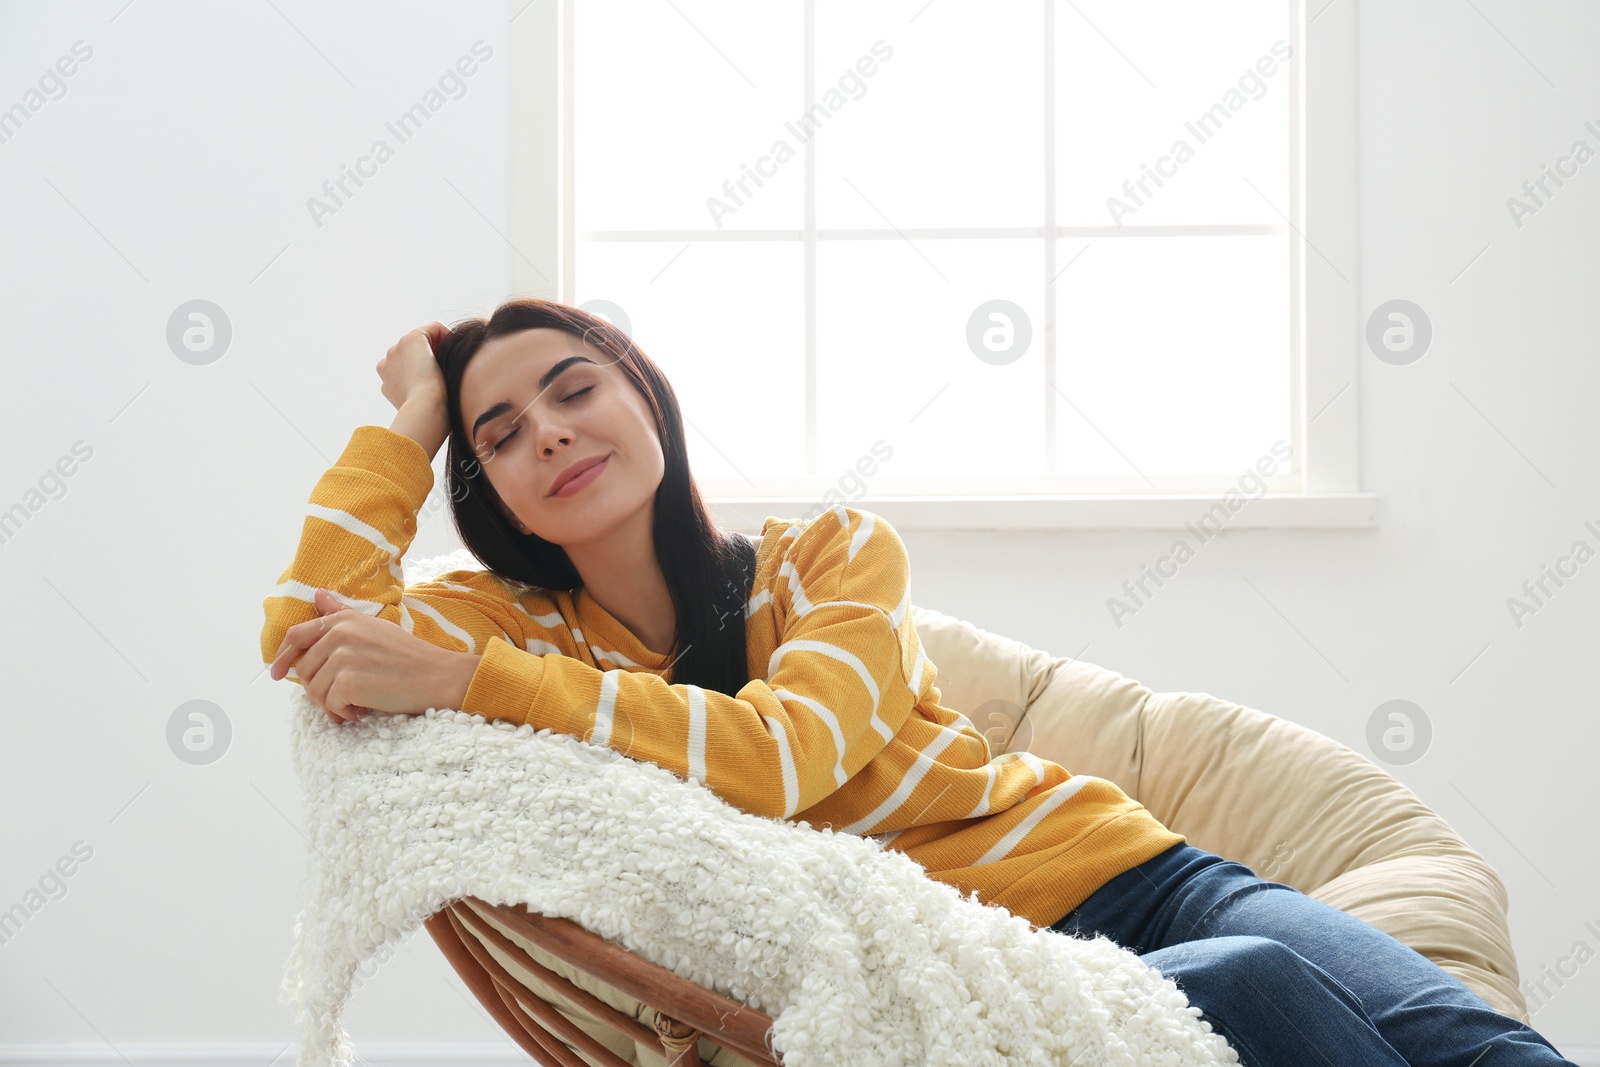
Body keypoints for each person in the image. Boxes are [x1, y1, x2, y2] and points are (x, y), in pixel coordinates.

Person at [261, 298, 1576, 1064]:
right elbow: (304, 628)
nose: (548, 428)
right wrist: (407, 424)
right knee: (1250, 990)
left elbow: (786, 754)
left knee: (1465, 1042)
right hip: (958, 965)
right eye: (498, 432)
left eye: (572, 387)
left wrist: (480, 681)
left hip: (1137, 872)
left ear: (642, 400)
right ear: (489, 492)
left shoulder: (828, 557)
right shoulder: (509, 627)